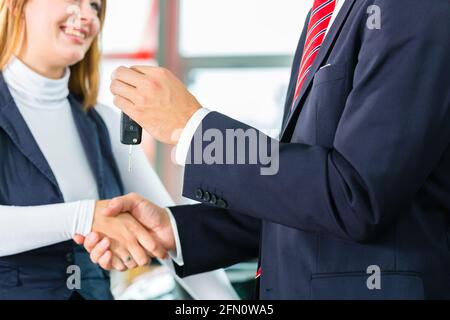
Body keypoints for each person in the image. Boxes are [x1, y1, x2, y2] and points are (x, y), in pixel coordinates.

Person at [80, 0, 450, 299]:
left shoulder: (409, 7)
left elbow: (354, 196)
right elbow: (302, 197)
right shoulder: (325, 16)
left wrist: (192, 128)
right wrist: (178, 230)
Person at [0, 0, 237, 300]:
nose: (86, 15)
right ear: (16, 5)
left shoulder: (104, 122)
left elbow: (170, 235)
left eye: (95, 7)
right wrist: (84, 216)